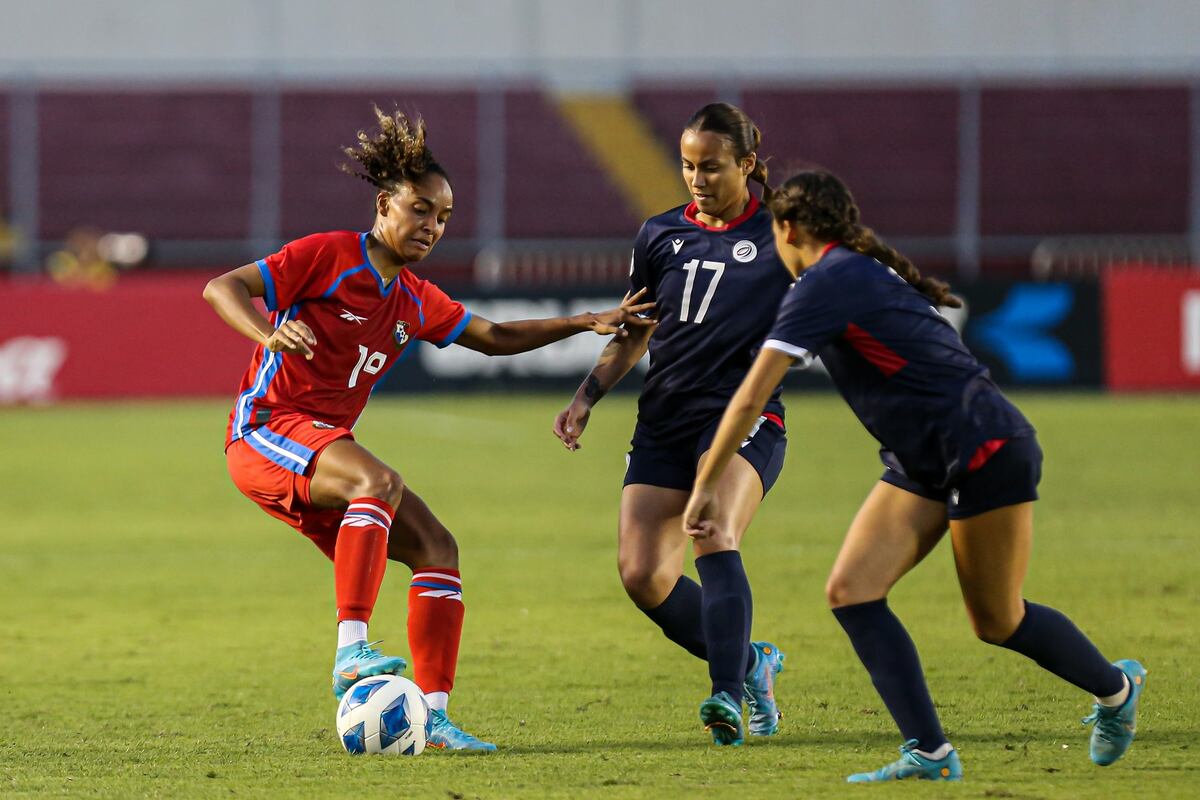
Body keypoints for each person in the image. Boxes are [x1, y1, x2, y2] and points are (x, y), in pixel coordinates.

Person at [203, 107, 653, 752]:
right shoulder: (326, 255)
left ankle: (432, 717)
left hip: (321, 449)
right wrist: (265, 329)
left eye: (443, 217)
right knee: (378, 481)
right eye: (420, 209)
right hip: (264, 432)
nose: (432, 226)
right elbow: (222, 287)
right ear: (384, 205)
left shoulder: (414, 296)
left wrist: (583, 321)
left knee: (438, 549)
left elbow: (494, 337)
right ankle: (351, 652)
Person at [683, 169, 1146, 780]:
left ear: (789, 228)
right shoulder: (858, 270)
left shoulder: (826, 283)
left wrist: (704, 485)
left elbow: (749, 399)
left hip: (981, 448)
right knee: (851, 592)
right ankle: (929, 752)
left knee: (997, 620)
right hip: (923, 458)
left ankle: (1116, 690)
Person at [554, 103, 792, 746]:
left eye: (710, 166)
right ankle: (751, 665)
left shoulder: (784, 236)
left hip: (743, 418)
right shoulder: (658, 235)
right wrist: (587, 395)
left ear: (745, 165)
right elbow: (637, 332)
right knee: (642, 575)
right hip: (663, 421)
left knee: (712, 529)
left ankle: (725, 695)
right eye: (686, 165)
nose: (695, 178)